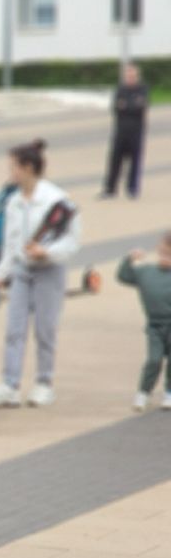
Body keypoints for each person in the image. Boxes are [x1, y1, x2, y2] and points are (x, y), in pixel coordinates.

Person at [0, 140, 80, 409]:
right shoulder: (14, 202)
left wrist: (47, 252)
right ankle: (10, 384)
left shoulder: (57, 200)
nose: (10, 172)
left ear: (27, 168)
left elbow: (71, 241)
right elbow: (11, 244)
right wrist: (0, 273)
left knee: (45, 328)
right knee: (14, 328)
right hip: (22, 271)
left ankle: (44, 383)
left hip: (49, 270)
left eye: (13, 167)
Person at [117, 237, 171, 412]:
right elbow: (124, 276)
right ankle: (143, 392)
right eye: (163, 253)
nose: (165, 258)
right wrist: (129, 259)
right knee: (153, 360)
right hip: (155, 326)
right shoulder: (146, 272)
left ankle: (169, 392)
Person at [102, 62, 148, 200]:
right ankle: (110, 189)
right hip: (120, 131)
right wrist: (131, 104)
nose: (130, 77)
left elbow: (141, 106)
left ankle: (132, 189)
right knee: (115, 160)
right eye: (128, 75)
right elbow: (116, 107)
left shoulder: (142, 89)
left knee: (135, 161)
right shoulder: (120, 89)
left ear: (137, 76)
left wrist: (126, 105)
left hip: (136, 131)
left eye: (133, 75)